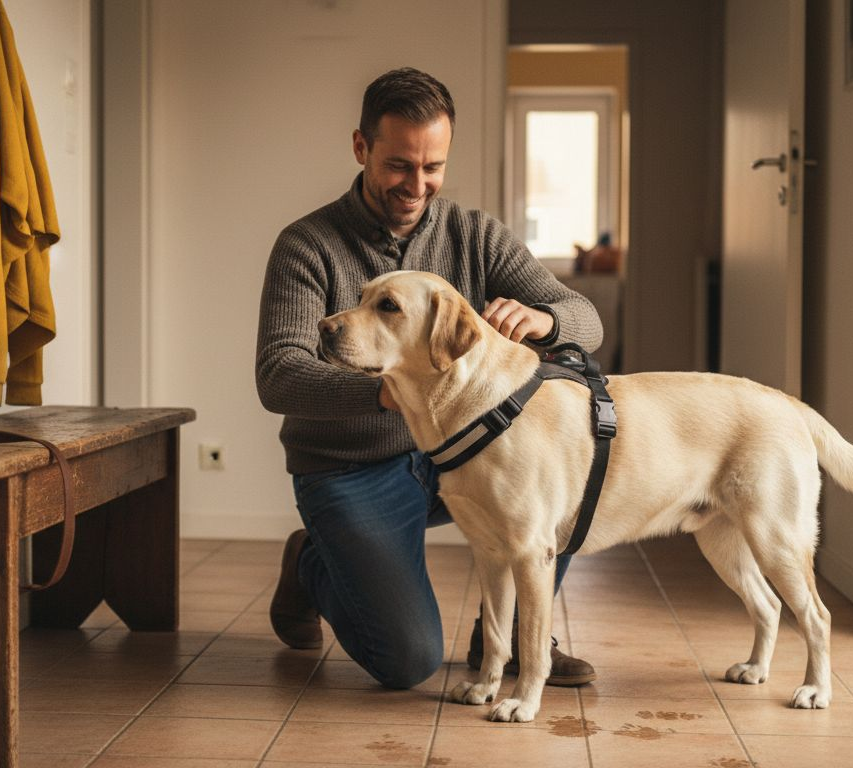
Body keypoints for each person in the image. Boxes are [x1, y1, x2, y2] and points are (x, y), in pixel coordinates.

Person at [254, 67, 603, 689]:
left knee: (563, 478)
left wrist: (545, 319)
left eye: (433, 166)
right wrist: (388, 392)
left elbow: (587, 319)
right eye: (399, 165)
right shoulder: (307, 245)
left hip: (461, 453)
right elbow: (279, 376)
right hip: (353, 468)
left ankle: (507, 636)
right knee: (407, 660)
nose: (417, 186)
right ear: (361, 147)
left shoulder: (475, 235)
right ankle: (310, 561)